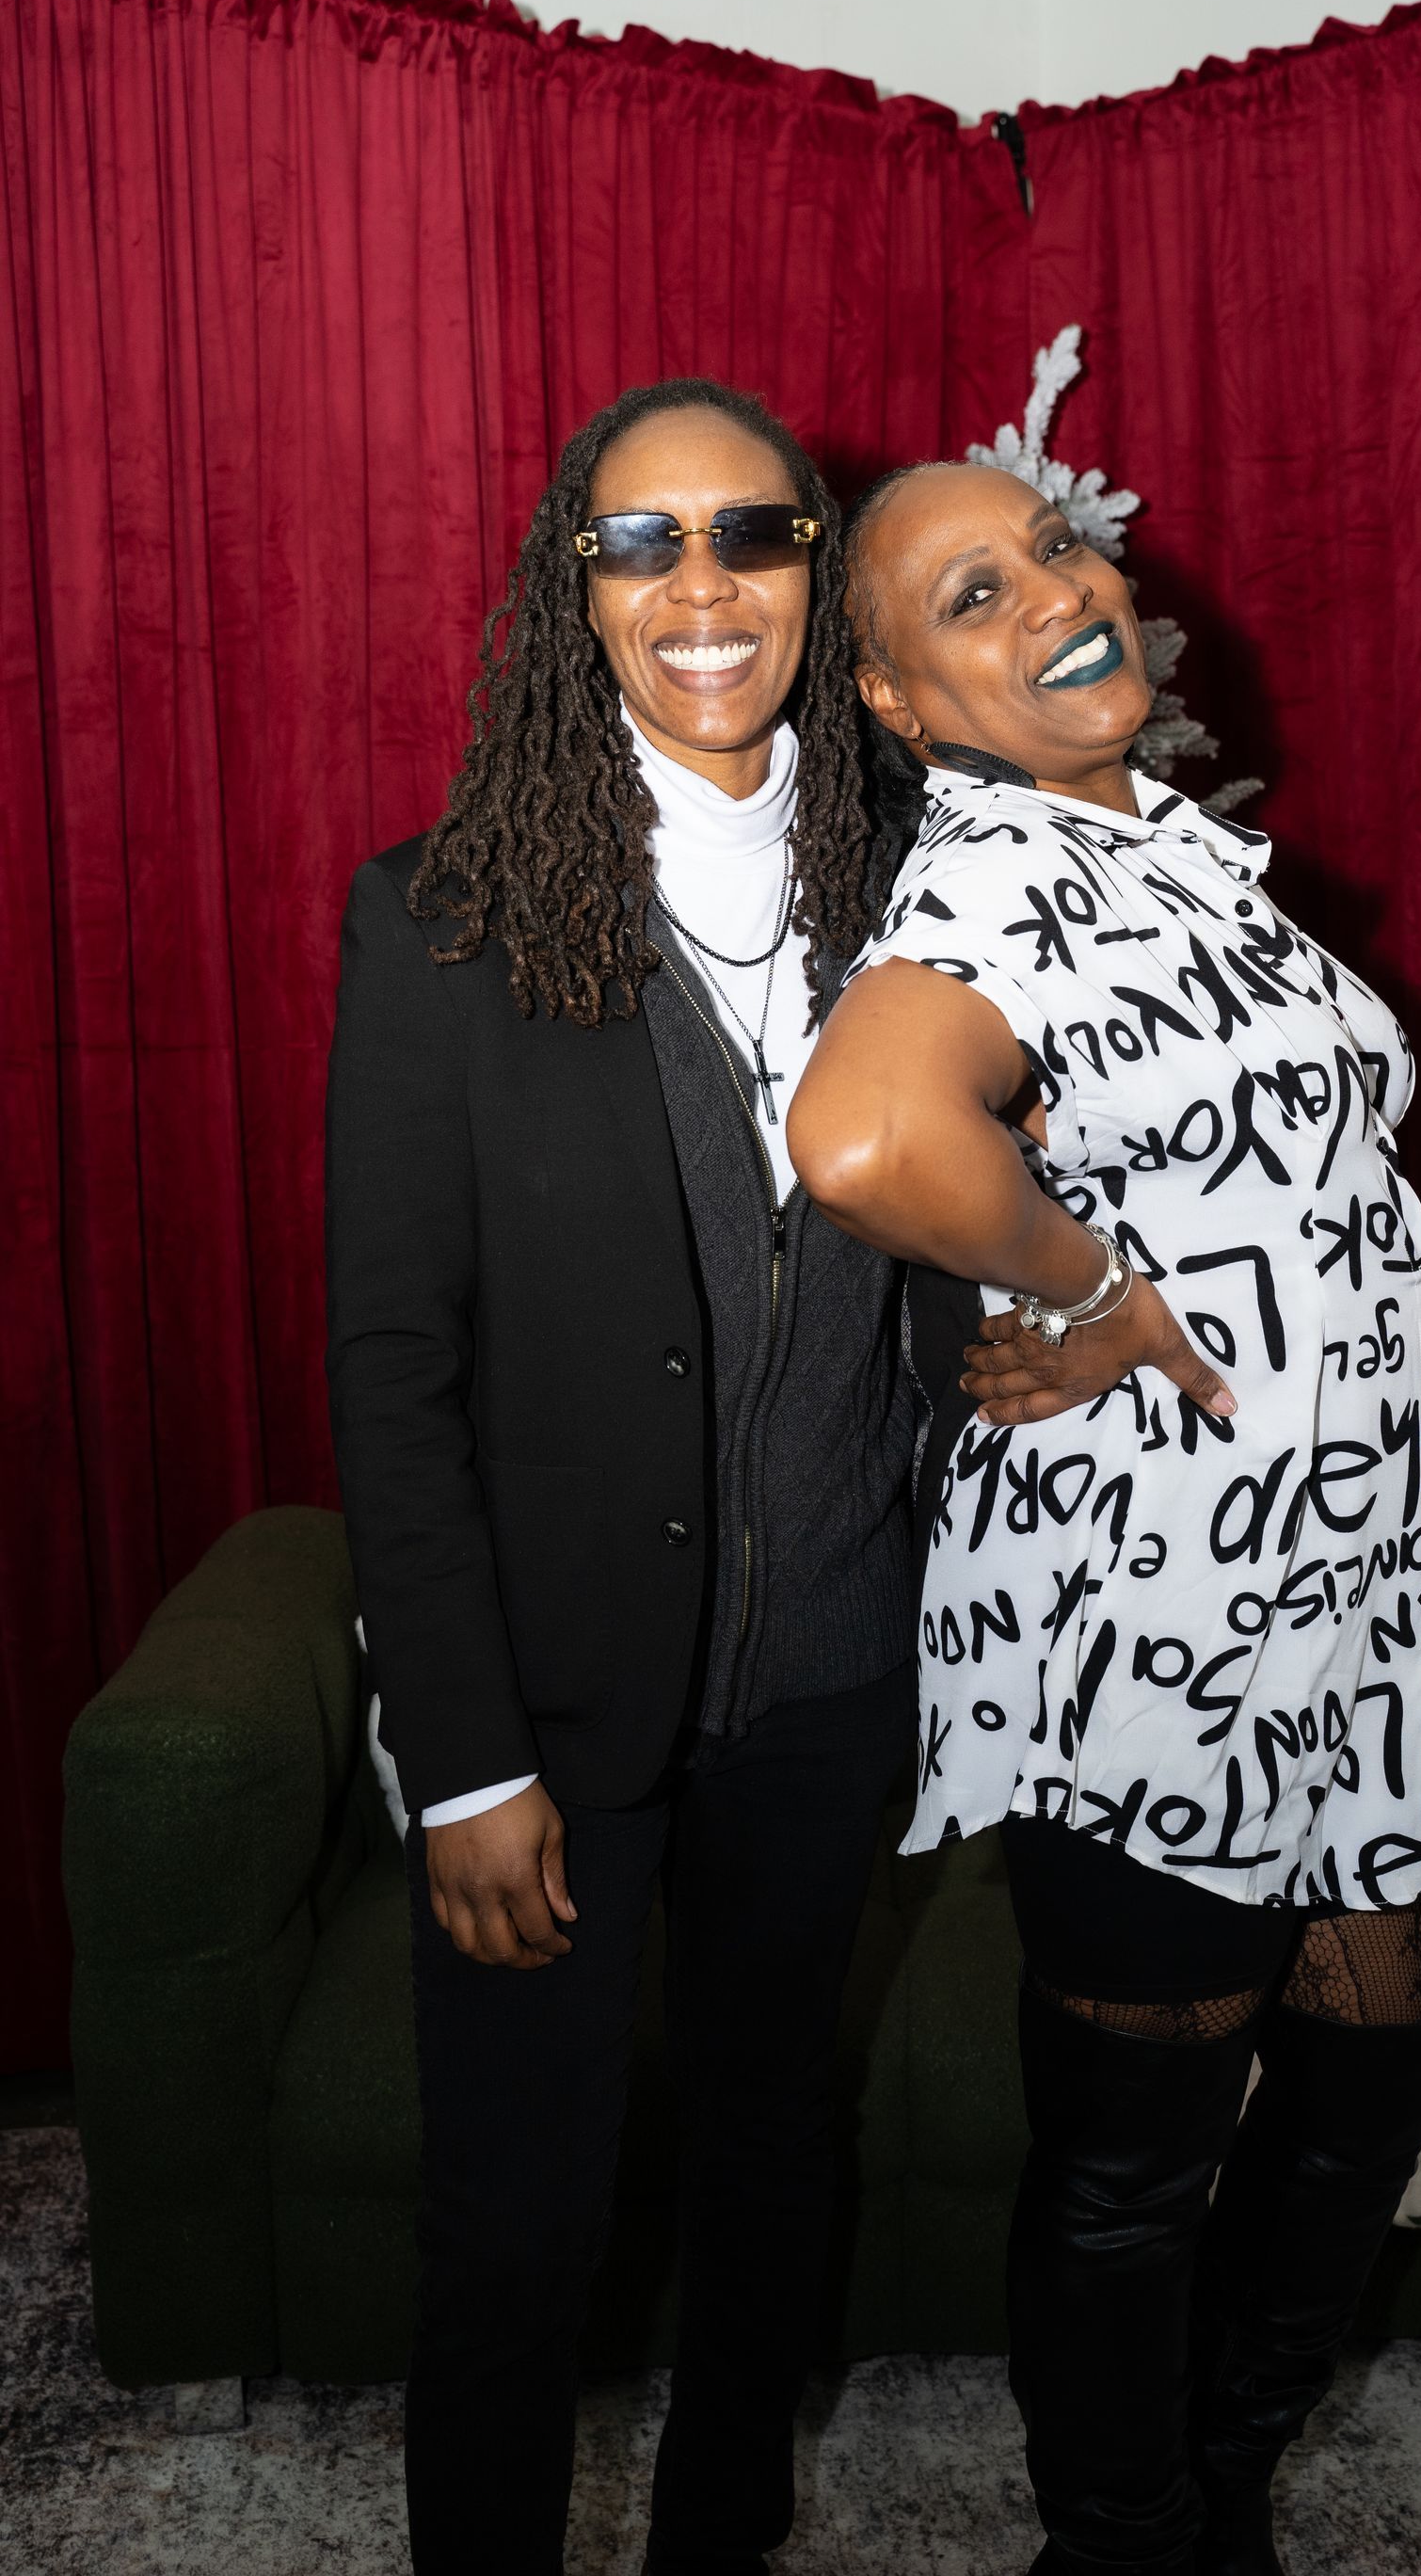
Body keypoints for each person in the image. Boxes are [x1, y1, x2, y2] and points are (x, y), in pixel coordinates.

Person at [327, 382, 1029, 2576]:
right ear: (579, 590)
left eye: (755, 536)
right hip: (546, 1711)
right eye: (645, 546)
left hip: (827, 1682)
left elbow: (1085, 1185)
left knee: (766, 2181)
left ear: (821, 572)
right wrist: (459, 1765)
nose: (704, 589)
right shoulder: (438, 920)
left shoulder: (947, 882)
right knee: (517, 2232)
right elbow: (392, 1368)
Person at [787, 458, 1421, 2576]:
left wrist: (1403, 1403)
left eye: (1059, 554)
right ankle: (1124, 2538)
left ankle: (1223, 2484)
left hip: (1341, 1571)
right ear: (907, 703)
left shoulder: (1165, 854)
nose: (1059, 600)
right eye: (974, 597)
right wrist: (1088, 1288)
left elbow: (1289, 1184)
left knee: (1381, 2040)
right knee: (1137, 2163)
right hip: (1155, 1605)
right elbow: (864, 1134)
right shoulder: (998, 881)